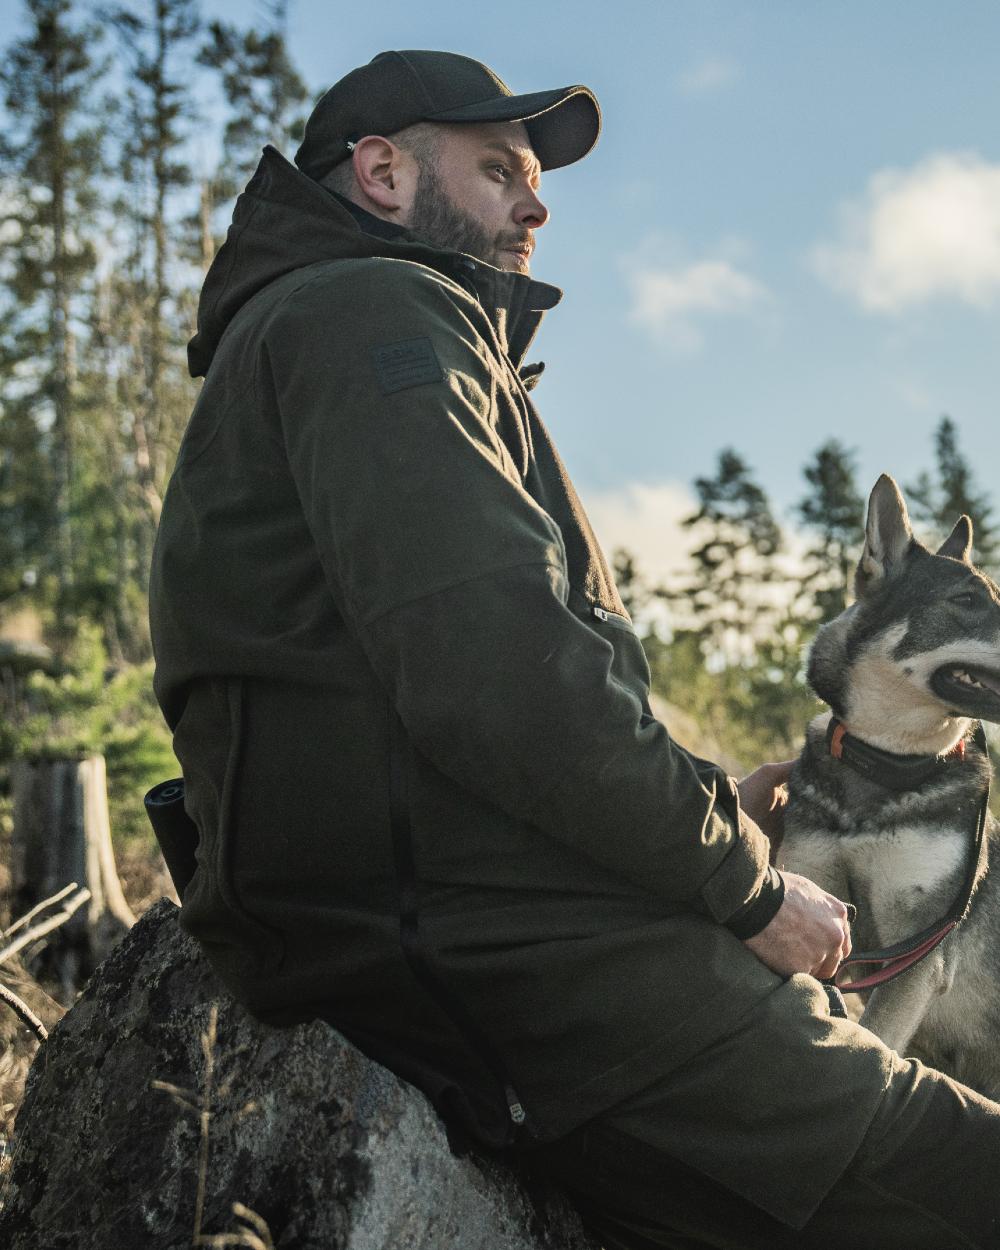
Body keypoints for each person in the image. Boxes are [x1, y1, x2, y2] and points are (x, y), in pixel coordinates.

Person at [149, 49, 1000, 1248]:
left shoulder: (337, 325)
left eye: (536, 178)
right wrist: (744, 888)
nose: (535, 203)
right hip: (508, 955)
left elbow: (473, 685)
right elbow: (502, 678)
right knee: (964, 1175)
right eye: (497, 168)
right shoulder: (375, 314)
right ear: (382, 173)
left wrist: (709, 808)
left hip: (484, 920)